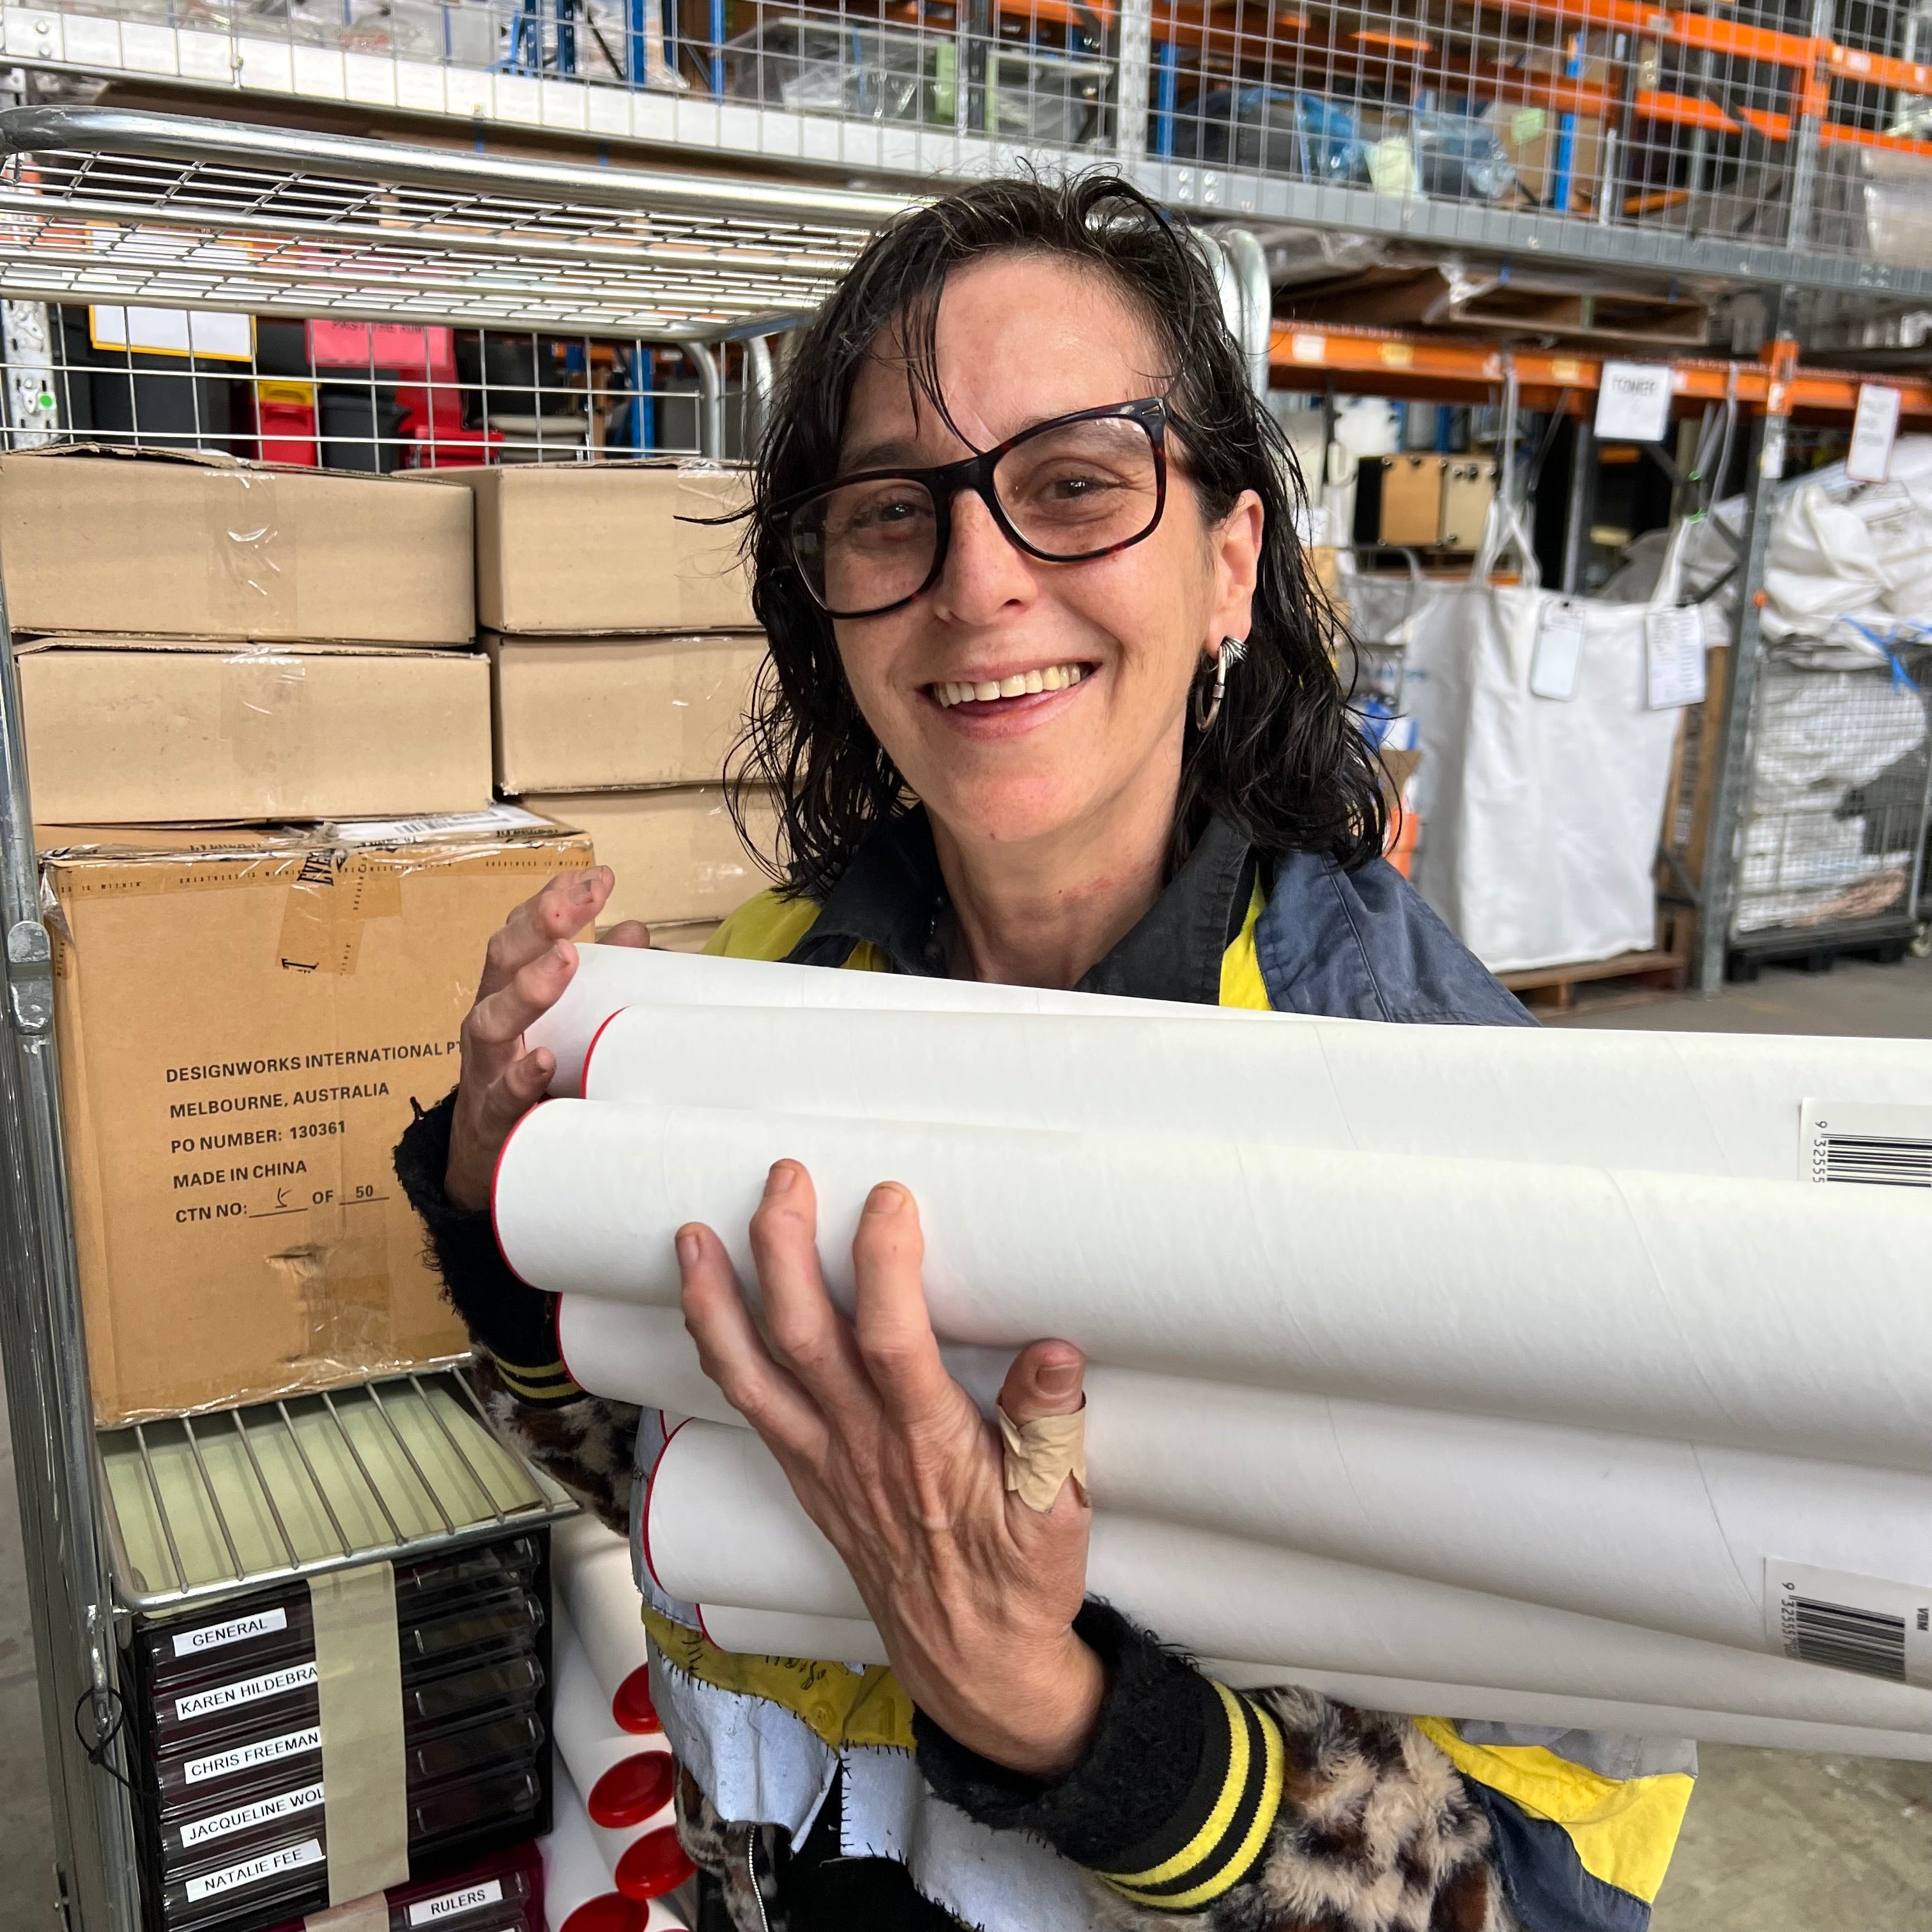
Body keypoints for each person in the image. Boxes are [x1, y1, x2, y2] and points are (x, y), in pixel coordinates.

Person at [397, 175, 1695, 1932]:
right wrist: (508, 1227)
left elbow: (1558, 1896)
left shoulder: (1451, 1127)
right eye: (889, 514)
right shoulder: (752, 1010)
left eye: (1078, 485)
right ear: (830, 608)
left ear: (1232, 561)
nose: (980, 583)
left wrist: (1077, 1722)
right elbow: (655, 1477)